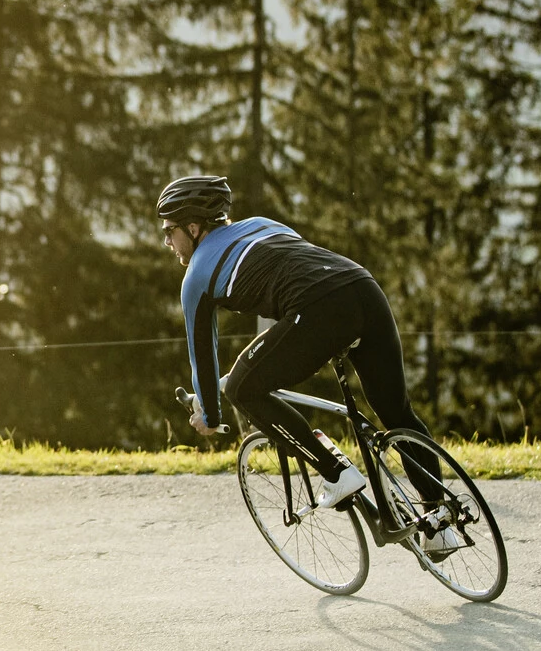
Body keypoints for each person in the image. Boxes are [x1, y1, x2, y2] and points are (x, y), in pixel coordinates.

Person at [159, 174, 459, 548]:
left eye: (170, 230)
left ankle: (335, 472)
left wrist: (211, 413)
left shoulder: (195, 277)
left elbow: (202, 355)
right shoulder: (262, 225)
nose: (167, 240)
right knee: (396, 411)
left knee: (241, 388)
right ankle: (440, 522)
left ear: (193, 226)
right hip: (362, 287)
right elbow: (286, 286)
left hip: (317, 308)